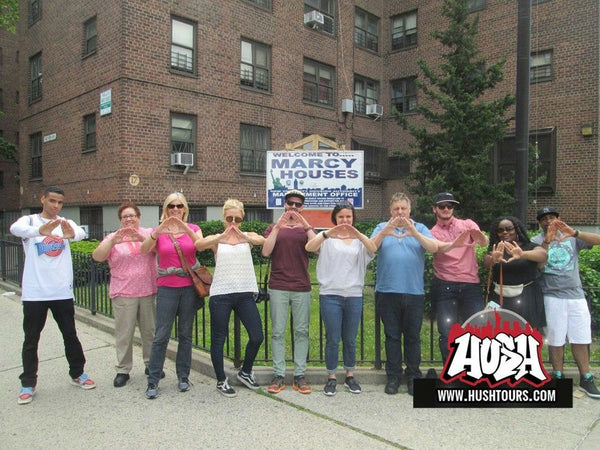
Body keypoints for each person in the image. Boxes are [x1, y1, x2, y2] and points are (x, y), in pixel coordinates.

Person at [10, 186, 96, 405]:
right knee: (31, 339)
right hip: (35, 293)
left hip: (61, 292)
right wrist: (40, 232)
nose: (56, 206)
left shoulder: (65, 222)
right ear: (43, 199)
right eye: (52, 201)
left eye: (59, 202)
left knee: (70, 334)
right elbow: (14, 229)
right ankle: (28, 382)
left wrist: (70, 234)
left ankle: (78, 373)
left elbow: (80, 233)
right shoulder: (29, 222)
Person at [370, 193, 441, 396]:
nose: (400, 212)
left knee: (412, 337)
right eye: (396, 209)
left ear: (409, 210)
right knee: (391, 336)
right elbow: (372, 247)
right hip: (387, 291)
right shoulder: (382, 227)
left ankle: (412, 376)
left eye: (403, 208)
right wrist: (385, 231)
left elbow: (434, 247)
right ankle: (393, 376)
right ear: (390, 211)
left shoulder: (419, 228)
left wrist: (413, 232)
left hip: (413, 292)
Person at [195, 199, 265, 398]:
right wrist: (221, 237)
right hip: (221, 294)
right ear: (224, 218)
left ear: (242, 219)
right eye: (229, 218)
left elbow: (263, 241)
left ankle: (245, 371)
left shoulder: (246, 237)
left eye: (237, 219)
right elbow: (199, 245)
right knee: (219, 338)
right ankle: (221, 380)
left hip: (244, 293)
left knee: (257, 335)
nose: (233, 222)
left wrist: (243, 236)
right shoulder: (218, 238)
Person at [306, 201, 376, 396]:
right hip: (330, 295)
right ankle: (331, 377)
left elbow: (373, 248)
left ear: (353, 218)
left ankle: (350, 375)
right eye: (341, 217)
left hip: (353, 295)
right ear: (335, 218)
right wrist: (328, 233)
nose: (345, 220)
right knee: (333, 339)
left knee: (350, 339)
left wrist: (358, 234)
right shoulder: (326, 237)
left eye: (348, 216)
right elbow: (310, 247)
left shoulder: (358, 240)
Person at [531, 207, 600, 398]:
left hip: (576, 295)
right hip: (552, 295)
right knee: (556, 338)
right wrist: (547, 240)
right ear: (539, 223)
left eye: (552, 217)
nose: (548, 221)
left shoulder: (571, 237)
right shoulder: (536, 241)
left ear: (559, 219)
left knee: (581, 336)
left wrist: (575, 232)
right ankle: (558, 375)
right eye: (544, 219)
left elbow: (597, 240)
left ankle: (586, 377)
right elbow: (539, 264)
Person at [140, 193, 203, 399]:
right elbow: (144, 250)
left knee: (185, 334)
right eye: (171, 206)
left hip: (188, 287)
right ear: (165, 209)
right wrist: (159, 230)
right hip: (167, 287)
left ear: (185, 209)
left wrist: (183, 227)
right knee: (161, 336)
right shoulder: (157, 232)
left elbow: (200, 245)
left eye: (179, 206)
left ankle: (183, 376)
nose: (175, 210)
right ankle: (153, 380)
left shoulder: (193, 228)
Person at [92, 203, 158, 388]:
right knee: (124, 334)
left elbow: (158, 250)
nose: (129, 219)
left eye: (132, 216)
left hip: (148, 290)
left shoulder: (148, 233)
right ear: (120, 220)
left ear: (139, 217)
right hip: (123, 292)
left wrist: (141, 238)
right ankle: (123, 369)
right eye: (125, 217)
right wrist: (113, 242)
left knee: (149, 332)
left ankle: (150, 365)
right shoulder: (113, 237)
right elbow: (97, 256)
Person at [262, 189, 316, 395]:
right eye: (290, 204)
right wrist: (278, 226)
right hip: (278, 286)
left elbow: (316, 248)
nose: (293, 207)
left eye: (298, 204)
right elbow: (266, 251)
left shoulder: (305, 229)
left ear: (302, 207)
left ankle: (299, 375)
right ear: (284, 205)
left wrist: (305, 224)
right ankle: (279, 375)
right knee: (277, 332)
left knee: (301, 332)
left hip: (301, 286)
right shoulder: (273, 228)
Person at [430, 192, 488, 363]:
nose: (446, 209)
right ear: (435, 209)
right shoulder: (432, 232)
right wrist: (457, 242)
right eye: (442, 206)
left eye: (450, 206)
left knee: (477, 330)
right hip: (445, 285)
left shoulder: (467, 224)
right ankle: (452, 372)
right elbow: (437, 249)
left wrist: (477, 235)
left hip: (470, 285)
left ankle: (474, 371)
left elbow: (483, 243)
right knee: (447, 332)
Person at [483, 216, 546, 330]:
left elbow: (543, 255)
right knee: (499, 333)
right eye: (500, 230)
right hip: (499, 297)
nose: (505, 232)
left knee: (526, 335)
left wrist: (522, 254)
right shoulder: (496, 249)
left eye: (509, 228)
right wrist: (494, 258)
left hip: (527, 297)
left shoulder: (529, 246)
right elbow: (486, 262)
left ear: (516, 229)